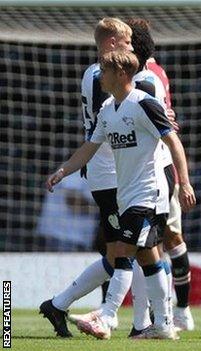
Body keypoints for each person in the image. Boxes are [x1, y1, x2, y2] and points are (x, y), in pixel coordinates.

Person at [46, 50, 196, 340]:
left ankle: (106, 316)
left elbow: (173, 142)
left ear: (122, 74)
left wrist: (185, 183)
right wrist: (64, 171)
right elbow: (89, 148)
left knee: (123, 252)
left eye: (105, 71)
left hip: (149, 192)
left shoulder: (144, 104)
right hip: (126, 193)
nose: (100, 76)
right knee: (149, 257)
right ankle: (164, 325)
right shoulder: (107, 111)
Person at [38, 18, 133, 338]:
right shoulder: (98, 77)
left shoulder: (92, 73)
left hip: (112, 170)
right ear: (111, 43)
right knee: (123, 251)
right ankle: (110, 318)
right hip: (108, 172)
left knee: (117, 253)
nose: (130, 47)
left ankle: (58, 304)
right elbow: (107, 125)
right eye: (126, 42)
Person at [127, 17, 195, 333]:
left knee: (159, 239)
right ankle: (165, 314)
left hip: (155, 166)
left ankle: (175, 311)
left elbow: (164, 125)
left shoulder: (148, 75)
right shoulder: (152, 71)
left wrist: (183, 180)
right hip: (149, 166)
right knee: (157, 240)